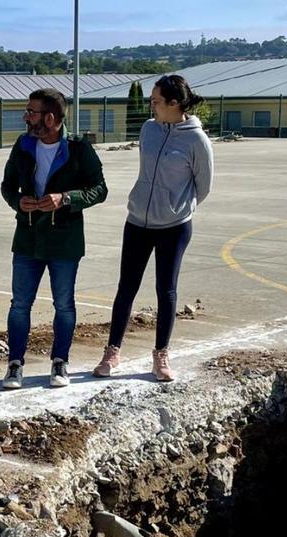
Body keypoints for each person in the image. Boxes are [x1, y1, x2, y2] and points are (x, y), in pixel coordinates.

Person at [92, 74, 213, 381]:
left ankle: (160, 356)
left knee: (166, 290)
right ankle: (112, 352)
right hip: (137, 222)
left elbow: (204, 186)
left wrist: (176, 206)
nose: (152, 105)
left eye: (157, 101)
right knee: (126, 287)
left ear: (175, 104)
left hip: (174, 226)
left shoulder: (197, 140)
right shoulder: (148, 129)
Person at [0, 88, 108, 389]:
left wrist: (67, 198)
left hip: (64, 241)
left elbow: (100, 189)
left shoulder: (78, 147)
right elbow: (7, 186)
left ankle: (60, 362)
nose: (26, 116)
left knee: (64, 304)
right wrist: (17, 201)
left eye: (31, 112)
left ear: (50, 117)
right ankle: (15, 363)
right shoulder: (22, 145)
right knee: (20, 304)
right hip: (28, 238)